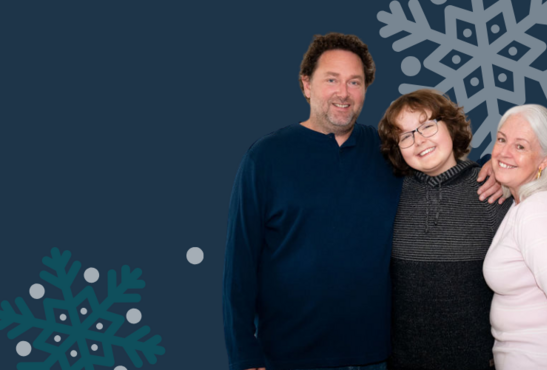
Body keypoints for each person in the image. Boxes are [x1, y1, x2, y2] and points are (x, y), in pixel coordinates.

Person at [223, 33, 502, 370]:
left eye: (354, 81)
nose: (343, 92)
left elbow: (437, 163)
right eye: (331, 80)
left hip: (375, 356)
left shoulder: (386, 152)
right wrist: (243, 351)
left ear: (366, 89)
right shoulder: (265, 158)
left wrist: (498, 167)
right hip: (289, 355)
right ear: (306, 84)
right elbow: (239, 264)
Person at [378, 89, 511, 370]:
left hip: (478, 360)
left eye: (427, 125)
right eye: (405, 135)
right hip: (403, 361)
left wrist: (508, 176)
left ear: (450, 125)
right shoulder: (391, 194)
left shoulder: (491, 191)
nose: (419, 140)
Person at [483, 104, 547, 369]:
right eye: (501, 140)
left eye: (520, 146)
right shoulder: (521, 203)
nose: (504, 152)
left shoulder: (535, 210)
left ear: (543, 161)